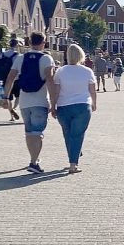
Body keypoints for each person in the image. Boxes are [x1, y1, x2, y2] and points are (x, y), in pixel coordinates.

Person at [4, 32, 56, 174]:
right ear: (43, 42)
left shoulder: (20, 58)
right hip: (40, 101)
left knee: (29, 132)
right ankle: (34, 162)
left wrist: (5, 97)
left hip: (25, 102)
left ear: (29, 42)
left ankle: (33, 159)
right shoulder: (46, 58)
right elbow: (50, 81)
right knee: (38, 133)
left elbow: (10, 79)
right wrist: (54, 102)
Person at [49, 44, 97, 174]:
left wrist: (52, 106)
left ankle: (74, 156)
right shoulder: (87, 71)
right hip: (82, 105)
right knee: (77, 134)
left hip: (64, 106)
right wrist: (94, 103)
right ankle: (73, 164)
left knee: (68, 133)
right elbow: (92, 90)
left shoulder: (60, 71)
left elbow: (56, 91)